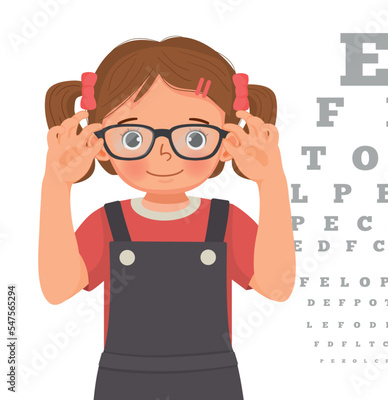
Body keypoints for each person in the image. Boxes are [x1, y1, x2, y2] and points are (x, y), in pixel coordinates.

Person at [39, 36, 295, 399]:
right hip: (124, 378)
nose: (163, 154)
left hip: (211, 378)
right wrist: (57, 183)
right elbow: (57, 288)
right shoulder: (110, 222)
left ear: (226, 143)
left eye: (193, 137)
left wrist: (271, 182)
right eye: (132, 137)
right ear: (101, 146)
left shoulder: (225, 221)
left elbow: (276, 286)